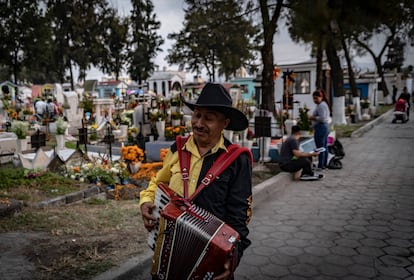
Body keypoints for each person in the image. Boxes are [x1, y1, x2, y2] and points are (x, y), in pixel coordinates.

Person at [139, 83, 252, 280]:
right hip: (169, 252)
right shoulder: (178, 148)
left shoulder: (237, 160)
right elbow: (159, 182)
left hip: (211, 260)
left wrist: (233, 257)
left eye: (208, 118)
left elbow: (239, 217)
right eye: (197, 115)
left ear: (224, 124)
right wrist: (147, 200)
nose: (199, 123)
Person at [309, 89, 331, 169]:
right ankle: (324, 164)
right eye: (313, 98)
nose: (315, 100)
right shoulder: (322, 104)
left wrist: (313, 117)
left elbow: (322, 118)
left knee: (320, 147)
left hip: (321, 127)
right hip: (323, 127)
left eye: (316, 98)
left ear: (321, 97)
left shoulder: (321, 105)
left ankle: (321, 165)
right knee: (324, 146)